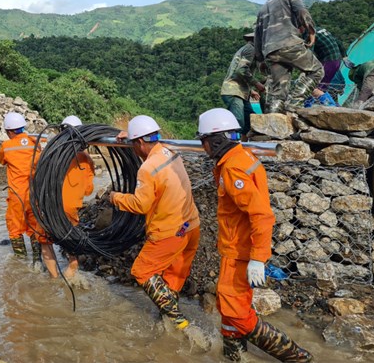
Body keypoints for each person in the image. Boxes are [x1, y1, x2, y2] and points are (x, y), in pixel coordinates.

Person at [197, 108, 313, 362]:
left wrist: (258, 258)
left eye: (204, 141)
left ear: (215, 140)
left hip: (239, 251)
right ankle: (234, 356)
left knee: (235, 311)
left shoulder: (233, 169)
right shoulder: (240, 158)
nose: (204, 148)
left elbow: (261, 215)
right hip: (236, 248)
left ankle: (297, 357)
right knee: (229, 308)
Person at [110, 115, 200, 330]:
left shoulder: (147, 169)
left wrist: (115, 198)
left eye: (133, 143)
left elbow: (140, 205)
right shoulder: (170, 152)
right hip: (191, 226)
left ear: (139, 142)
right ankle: (168, 324)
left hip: (170, 232)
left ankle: (180, 323)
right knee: (172, 278)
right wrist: (131, 134)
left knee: (142, 271)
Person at [0, 112, 58, 277]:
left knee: (15, 229)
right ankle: (37, 262)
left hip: (17, 196)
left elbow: (2, 160)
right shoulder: (35, 143)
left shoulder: (7, 146)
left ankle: (20, 265)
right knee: (35, 229)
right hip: (34, 195)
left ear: (9, 131)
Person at [254, 0, 324, 113]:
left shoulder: (263, 8)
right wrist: (311, 30)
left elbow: (257, 36)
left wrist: (260, 59)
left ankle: (273, 122)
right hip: (289, 43)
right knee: (316, 70)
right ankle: (295, 102)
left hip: (270, 51)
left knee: (278, 91)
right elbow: (302, 11)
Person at [60, 115, 95, 279]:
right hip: (73, 206)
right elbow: (88, 190)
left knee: (48, 239)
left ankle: (58, 273)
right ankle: (72, 264)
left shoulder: (55, 156)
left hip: (53, 205)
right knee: (70, 234)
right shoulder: (86, 159)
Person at [220, 31, 265, 140]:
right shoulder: (251, 49)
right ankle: (229, 144)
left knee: (250, 120)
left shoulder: (247, 49)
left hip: (241, 92)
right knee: (238, 120)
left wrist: (251, 91)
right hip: (233, 91)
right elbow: (241, 70)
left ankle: (243, 144)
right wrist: (257, 84)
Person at [305, 28, 344, 105]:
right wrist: (344, 56)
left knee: (313, 88)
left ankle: (331, 107)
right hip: (336, 61)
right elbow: (338, 42)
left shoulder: (308, 33)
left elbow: (309, 53)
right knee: (322, 89)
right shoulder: (321, 30)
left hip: (328, 62)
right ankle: (334, 106)